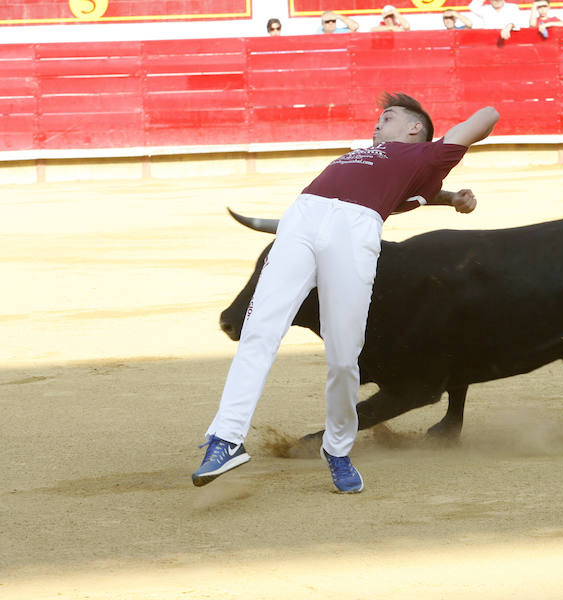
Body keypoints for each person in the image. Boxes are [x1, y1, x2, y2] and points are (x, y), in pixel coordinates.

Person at [192, 93, 500, 493]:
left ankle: (336, 449)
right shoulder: (373, 158)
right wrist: (447, 198)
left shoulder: (429, 156)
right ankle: (225, 440)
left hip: (354, 231)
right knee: (259, 330)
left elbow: (488, 113)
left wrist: (449, 160)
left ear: (415, 128)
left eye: (388, 118)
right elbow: (411, 195)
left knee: (343, 355)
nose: (377, 124)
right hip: (302, 216)